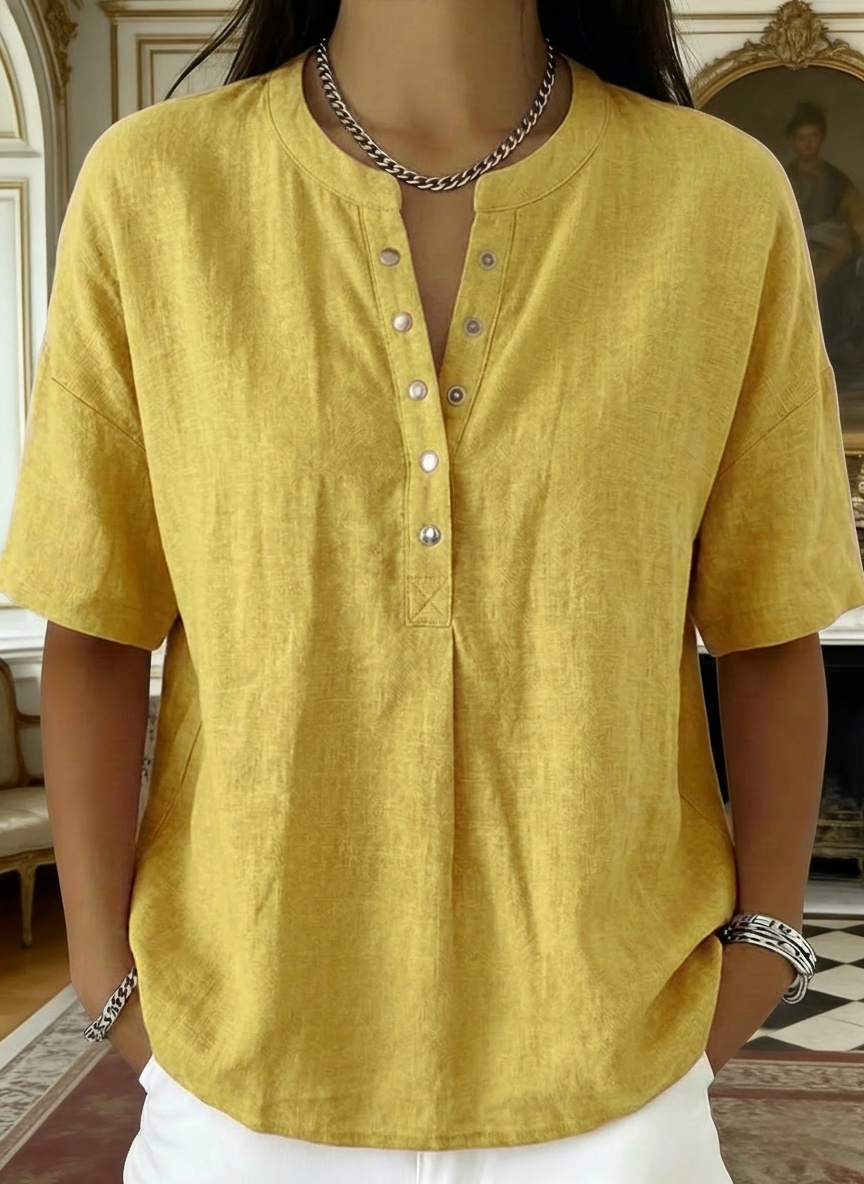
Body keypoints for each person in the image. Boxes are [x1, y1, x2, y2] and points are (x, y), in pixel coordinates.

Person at [1, 1, 863, 1181]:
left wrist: (763, 948)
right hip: (239, 1075)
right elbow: (96, 621)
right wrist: (107, 979)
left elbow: (770, 625)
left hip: (618, 1076)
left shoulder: (716, 200)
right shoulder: (156, 192)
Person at [784, 100, 864, 368]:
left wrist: (841, 249)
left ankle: (833, 351)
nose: (808, 143)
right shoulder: (782, 177)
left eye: (813, 136)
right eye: (802, 138)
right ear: (794, 142)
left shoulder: (837, 180)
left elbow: (857, 218)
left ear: (821, 138)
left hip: (834, 252)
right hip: (794, 249)